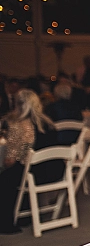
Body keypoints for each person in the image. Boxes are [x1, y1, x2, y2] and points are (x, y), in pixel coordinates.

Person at [0, 89, 58, 234]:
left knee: (6, 176)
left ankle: (5, 222)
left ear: (17, 104)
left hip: (34, 174)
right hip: (55, 170)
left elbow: (10, 160)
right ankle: (25, 215)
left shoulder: (18, 124)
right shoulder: (48, 123)